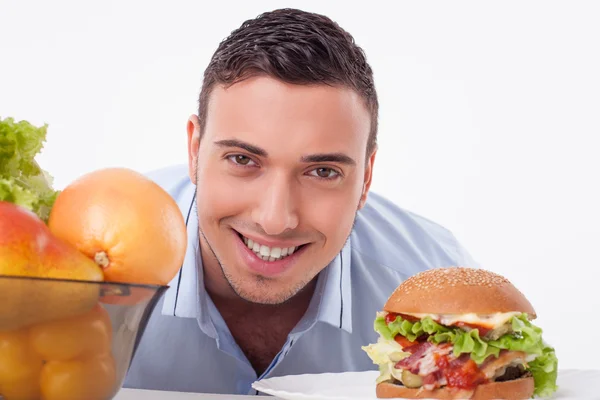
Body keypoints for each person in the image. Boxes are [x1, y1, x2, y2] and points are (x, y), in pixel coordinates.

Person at [123, 7, 478, 395]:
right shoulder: (93, 262)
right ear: (195, 151)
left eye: (323, 171)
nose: (276, 220)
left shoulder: (437, 287)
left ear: (366, 177)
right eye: (243, 160)